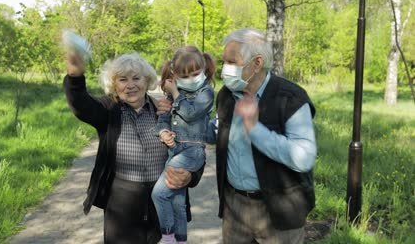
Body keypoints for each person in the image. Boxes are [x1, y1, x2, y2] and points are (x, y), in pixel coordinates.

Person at [63, 52, 204, 244]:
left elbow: (193, 147)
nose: (130, 85)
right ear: (114, 85)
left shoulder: (166, 110)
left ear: (147, 81)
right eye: (123, 79)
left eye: (136, 78)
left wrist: (191, 175)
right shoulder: (108, 110)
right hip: (121, 207)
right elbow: (81, 104)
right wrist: (75, 76)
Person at [212, 28, 317, 244]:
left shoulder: (291, 98)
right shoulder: (226, 95)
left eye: (232, 62)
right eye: (224, 62)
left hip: (279, 210)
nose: (225, 70)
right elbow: (218, 134)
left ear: (257, 63)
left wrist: (254, 129)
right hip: (235, 208)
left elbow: (303, 158)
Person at [151, 46, 215, 244]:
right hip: (175, 151)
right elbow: (162, 120)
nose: (192, 79)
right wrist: (163, 133)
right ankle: (180, 240)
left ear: (203, 70)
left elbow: (189, 112)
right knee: (178, 202)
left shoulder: (206, 92)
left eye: (196, 73)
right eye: (185, 75)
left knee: (159, 194)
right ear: (175, 75)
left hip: (192, 153)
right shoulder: (172, 96)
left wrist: (175, 92)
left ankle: (168, 237)